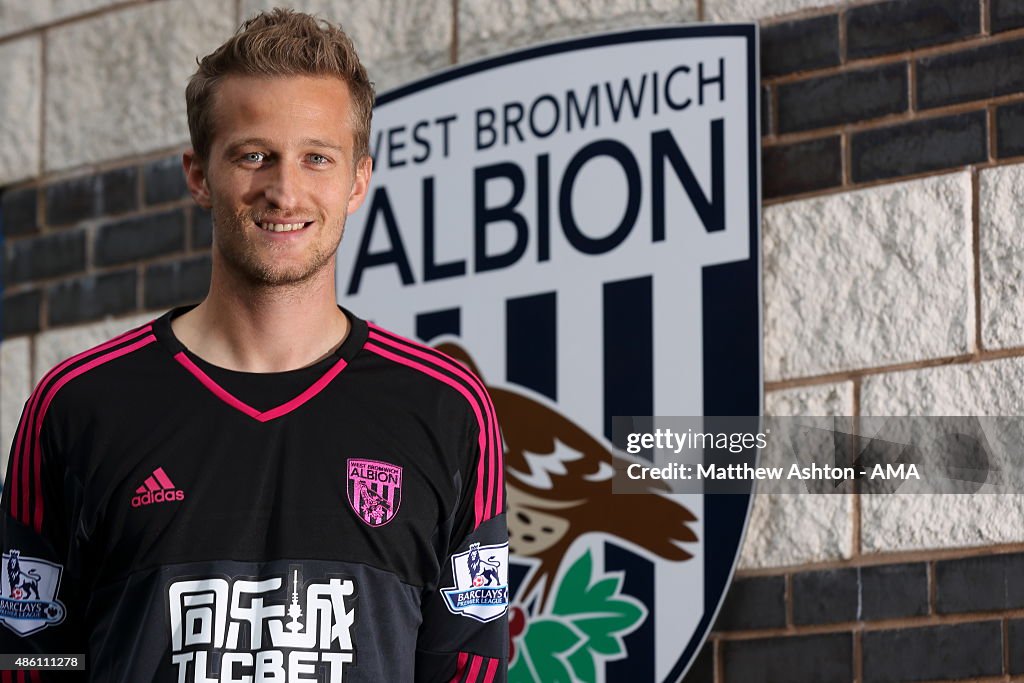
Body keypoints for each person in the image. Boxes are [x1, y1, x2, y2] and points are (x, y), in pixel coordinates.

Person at [0, 9, 508, 682]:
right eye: (253, 154)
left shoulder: (448, 407)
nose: (285, 189)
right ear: (198, 175)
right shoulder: (76, 405)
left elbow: (468, 660)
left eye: (316, 157)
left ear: (357, 181)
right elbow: (29, 653)